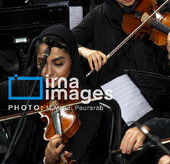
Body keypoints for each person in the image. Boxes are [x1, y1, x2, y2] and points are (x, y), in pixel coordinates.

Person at [0, 25, 103, 163]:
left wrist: (47, 161)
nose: (48, 72)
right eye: (41, 63)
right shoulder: (24, 86)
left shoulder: (87, 106)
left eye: (58, 63)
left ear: (72, 61)